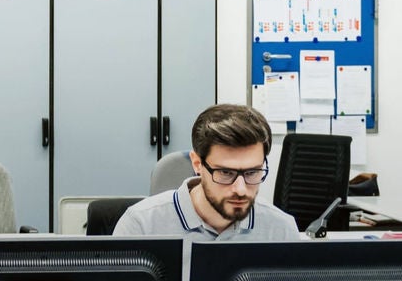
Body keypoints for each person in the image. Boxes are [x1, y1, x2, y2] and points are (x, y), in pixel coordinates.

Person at [113, 103, 303, 242]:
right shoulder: (141, 226)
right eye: (226, 172)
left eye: (252, 172)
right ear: (197, 163)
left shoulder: (281, 230)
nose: (241, 189)